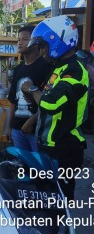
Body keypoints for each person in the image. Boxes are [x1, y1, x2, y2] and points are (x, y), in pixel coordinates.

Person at [21, 15, 88, 200]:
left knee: (61, 202)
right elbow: (46, 98)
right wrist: (31, 120)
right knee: (45, 197)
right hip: (48, 147)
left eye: (43, 46)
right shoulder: (58, 68)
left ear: (58, 41)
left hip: (65, 149)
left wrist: (31, 88)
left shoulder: (74, 70)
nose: (41, 51)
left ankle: (65, 230)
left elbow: (51, 104)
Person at [7, 26, 51, 152]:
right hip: (17, 130)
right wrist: (10, 127)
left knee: (38, 168)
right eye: (18, 39)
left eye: (25, 39)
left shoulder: (46, 67)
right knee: (22, 168)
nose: (20, 42)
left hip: (36, 131)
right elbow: (12, 101)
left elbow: (50, 102)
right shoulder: (18, 69)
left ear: (36, 43)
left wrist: (31, 122)